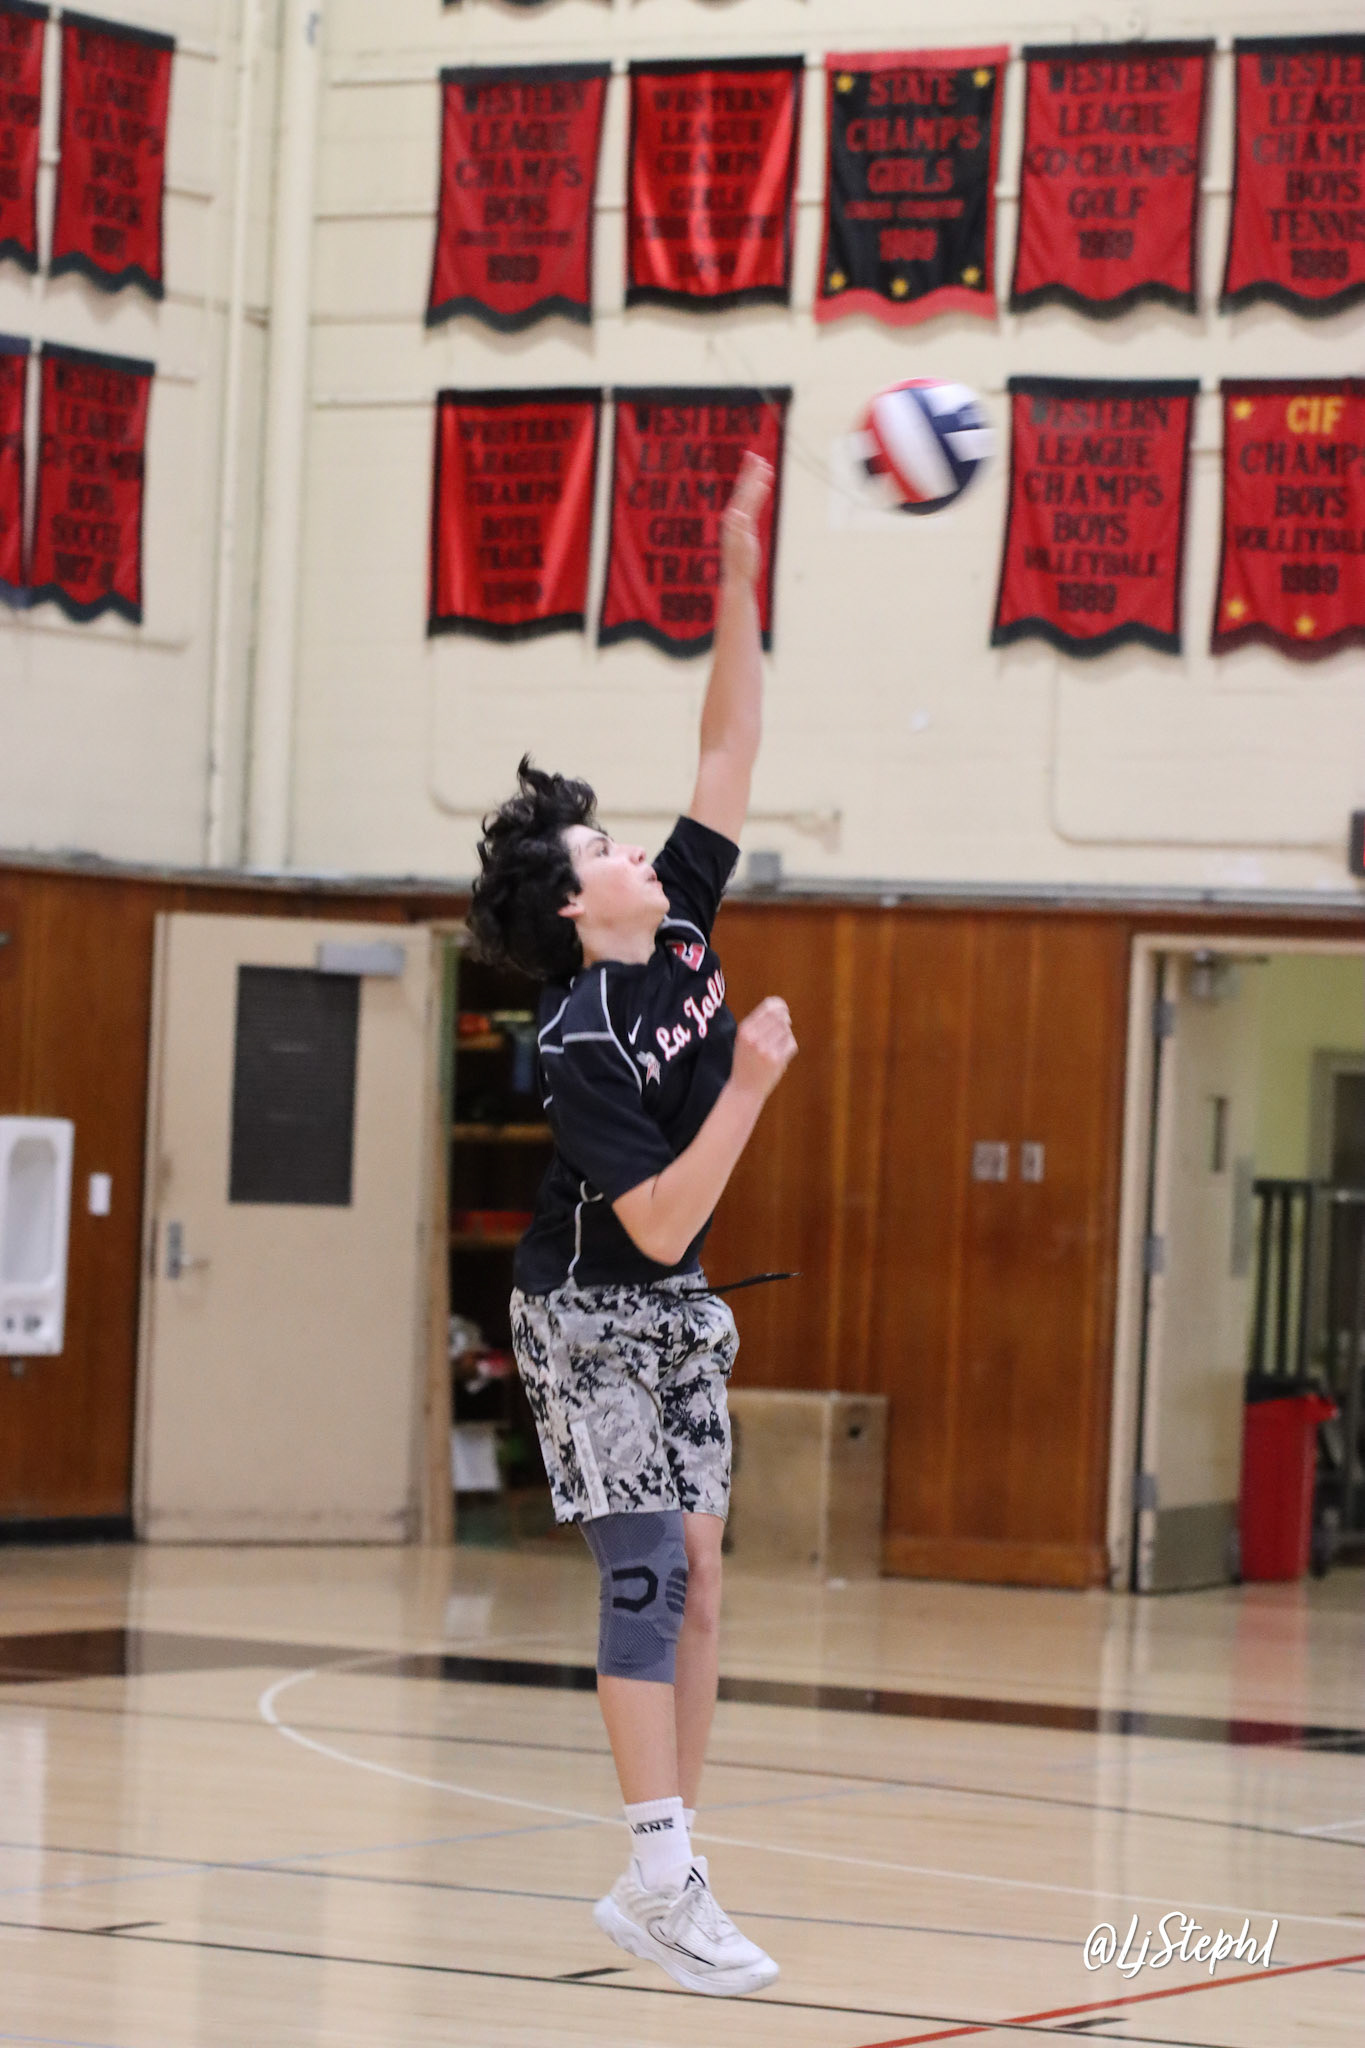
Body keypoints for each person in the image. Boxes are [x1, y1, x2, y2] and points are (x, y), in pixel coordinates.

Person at [466, 452, 797, 1998]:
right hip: (589, 1312)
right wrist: (751, 1087)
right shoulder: (581, 1040)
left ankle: (669, 1874)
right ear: (571, 909)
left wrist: (734, 576)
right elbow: (657, 1226)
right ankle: (662, 1875)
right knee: (651, 1570)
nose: (633, 851)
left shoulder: (677, 923)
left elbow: (730, 738)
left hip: (666, 1305)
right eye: (602, 852)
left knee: (708, 1577)